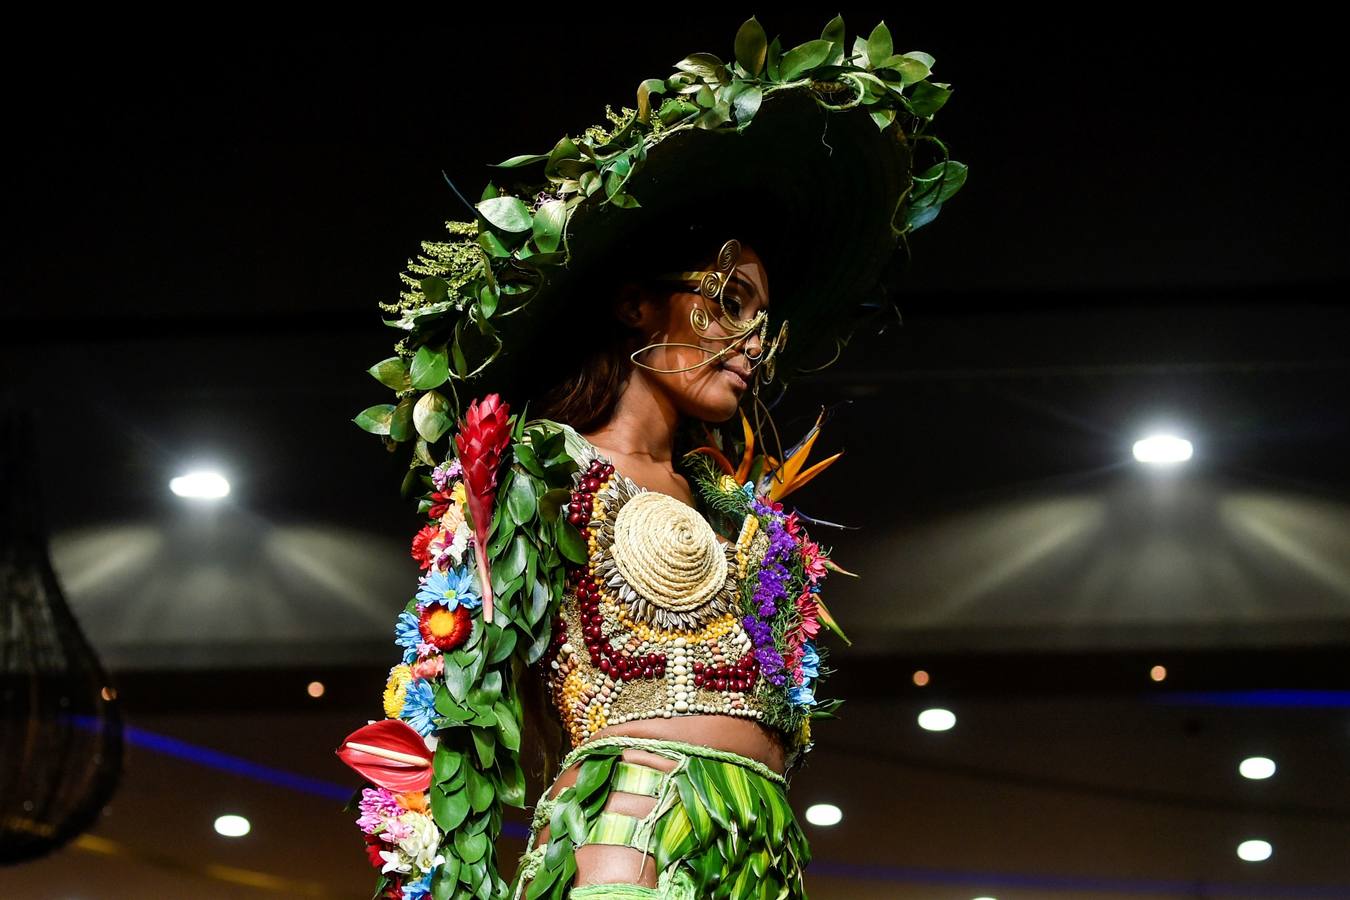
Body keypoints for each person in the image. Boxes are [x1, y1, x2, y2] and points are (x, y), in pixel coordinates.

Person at [338, 16, 963, 900]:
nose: (751, 340)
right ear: (637, 305)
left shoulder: (747, 518)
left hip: (762, 850)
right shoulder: (531, 476)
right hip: (628, 834)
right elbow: (446, 705)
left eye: (762, 320)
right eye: (728, 300)